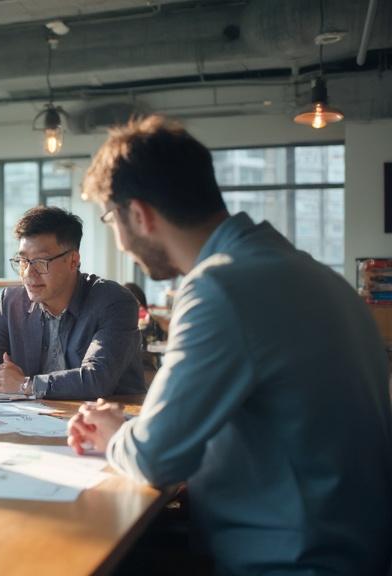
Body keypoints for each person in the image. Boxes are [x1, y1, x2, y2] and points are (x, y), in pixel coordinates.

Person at [69, 115, 392, 574]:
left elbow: (153, 457)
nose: (120, 244)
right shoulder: (314, 275)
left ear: (139, 215)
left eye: (111, 220)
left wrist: (114, 431)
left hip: (291, 562)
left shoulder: (221, 287)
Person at [0, 206, 145, 399]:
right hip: (32, 421)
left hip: (106, 421)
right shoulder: (10, 302)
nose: (28, 273)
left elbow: (96, 379)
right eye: (23, 261)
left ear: (73, 261)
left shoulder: (114, 302)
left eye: (41, 262)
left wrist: (25, 384)